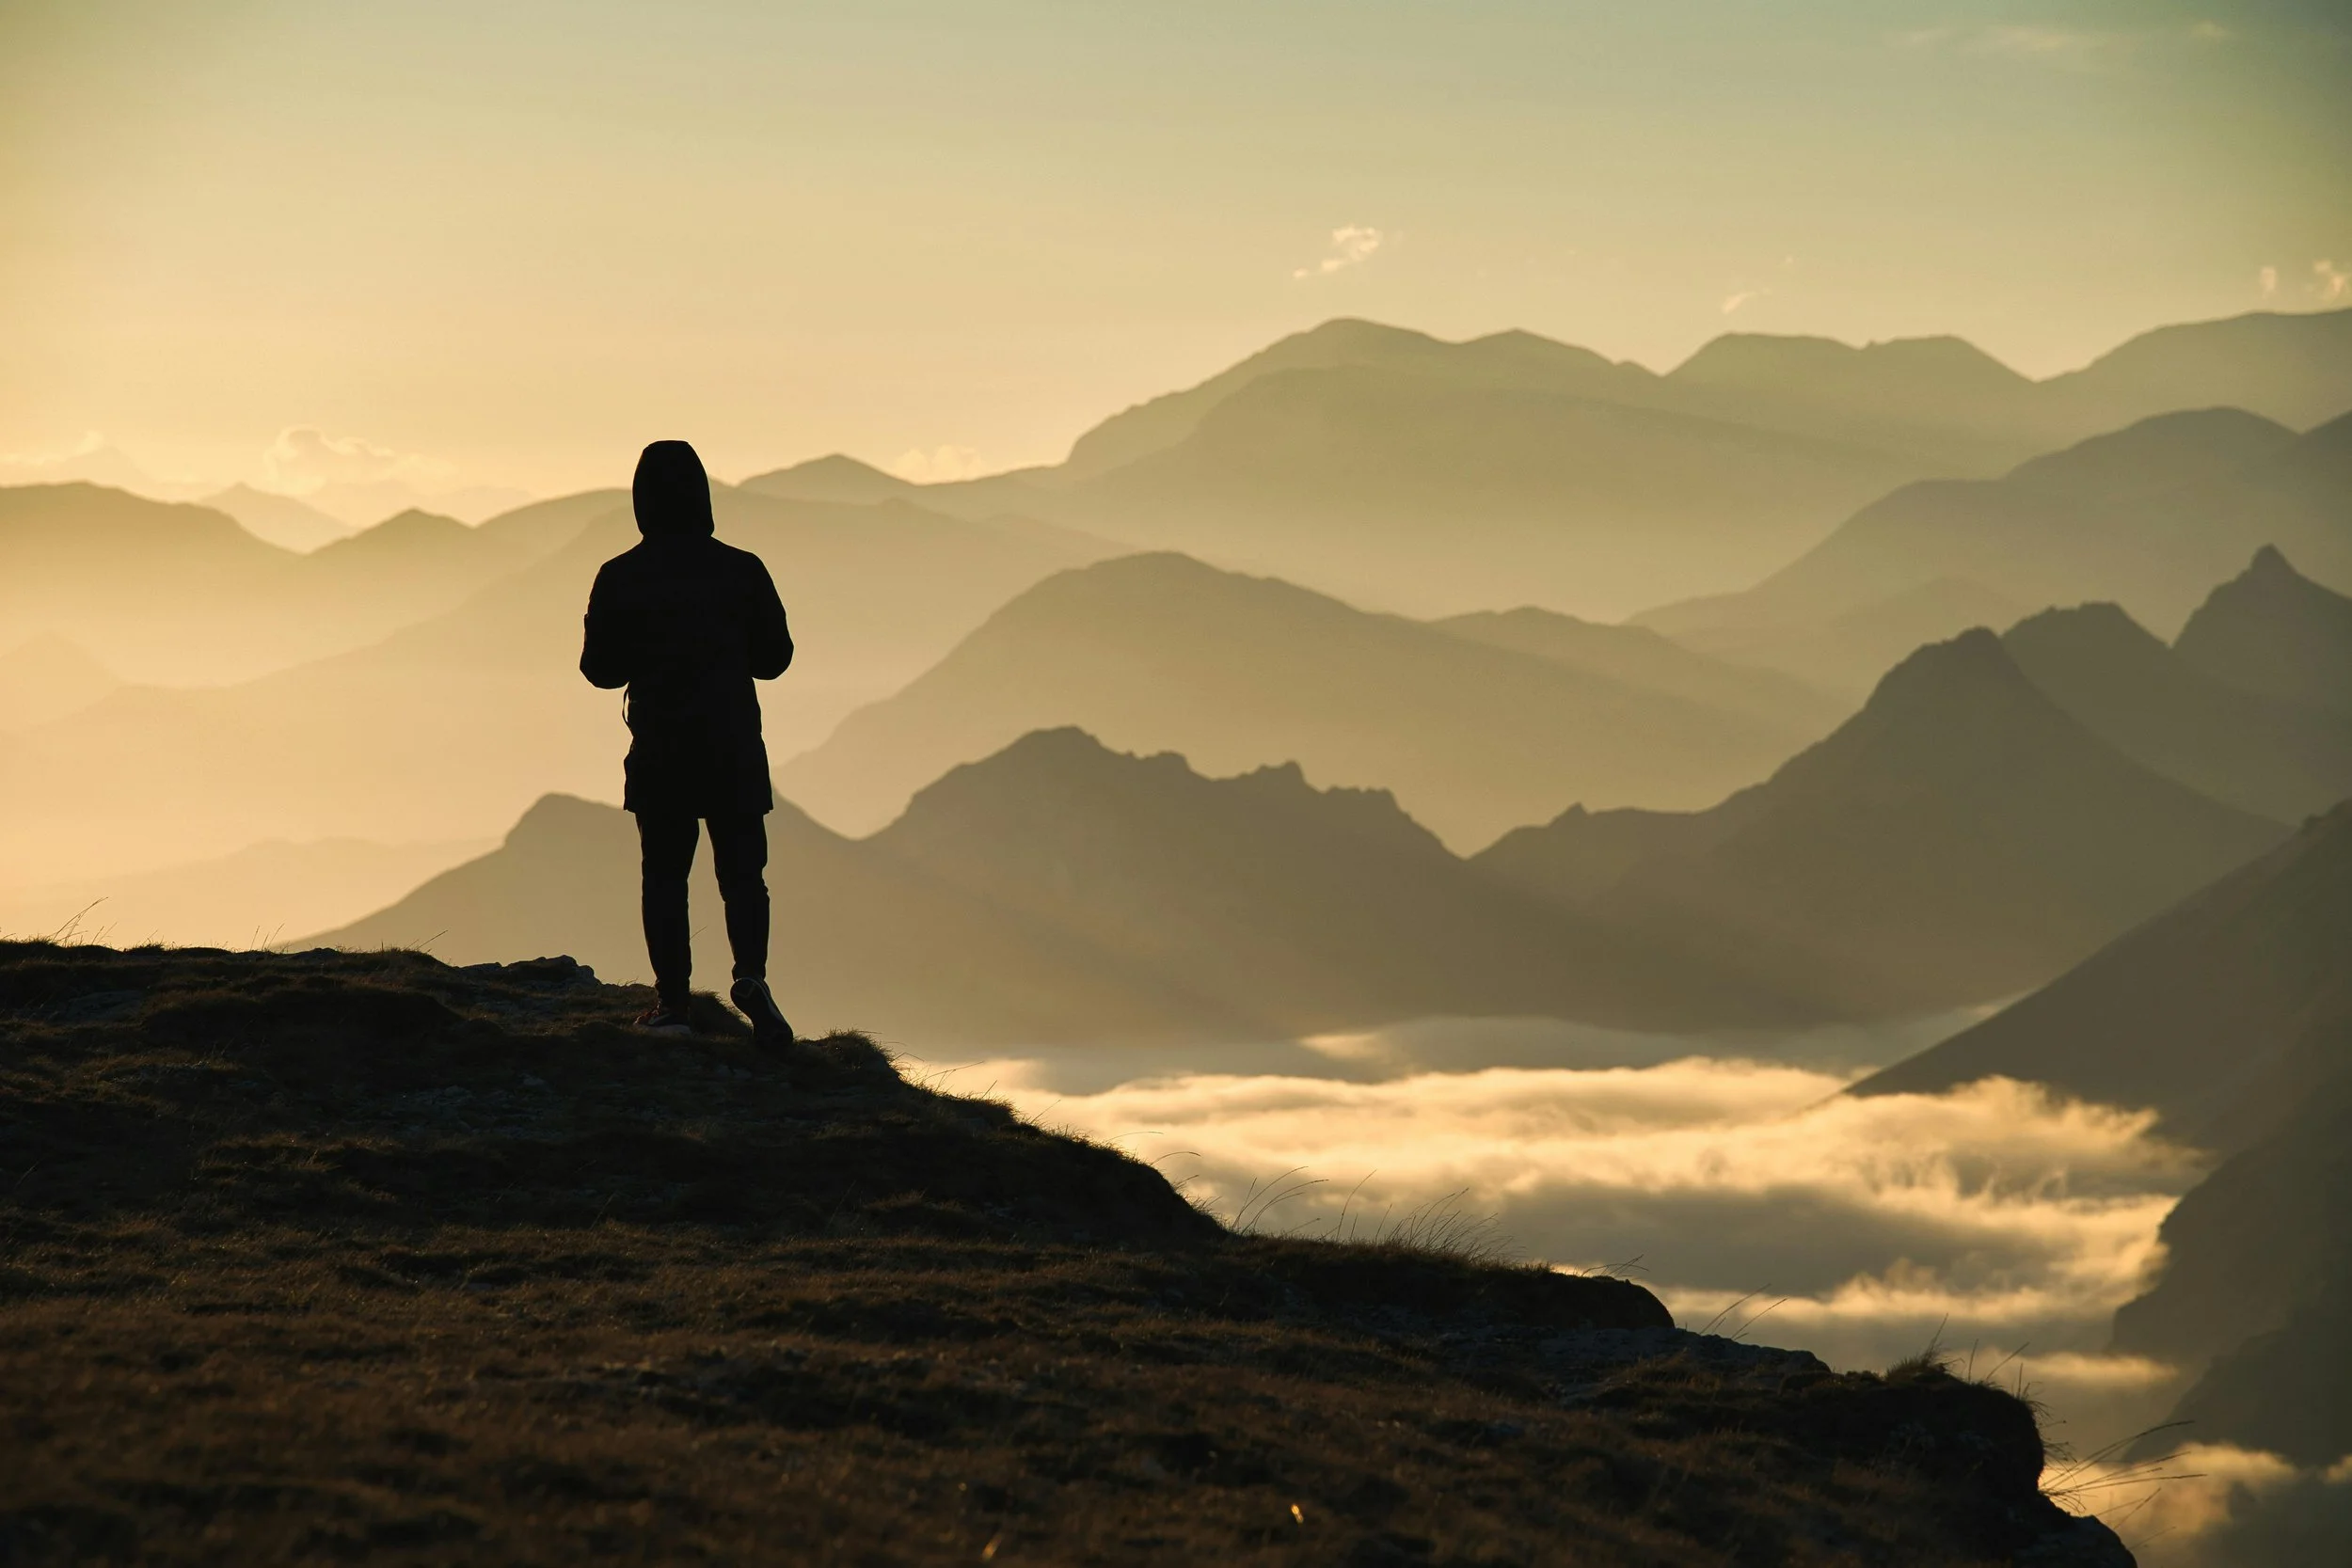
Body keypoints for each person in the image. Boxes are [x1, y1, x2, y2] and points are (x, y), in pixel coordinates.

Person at [580, 439, 796, 1042]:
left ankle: (673, 1005)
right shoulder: (742, 568)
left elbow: (600, 670)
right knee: (744, 874)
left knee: (666, 875)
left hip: (661, 749)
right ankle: (752, 975)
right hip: (733, 744)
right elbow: (776, 658)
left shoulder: (619, 576)